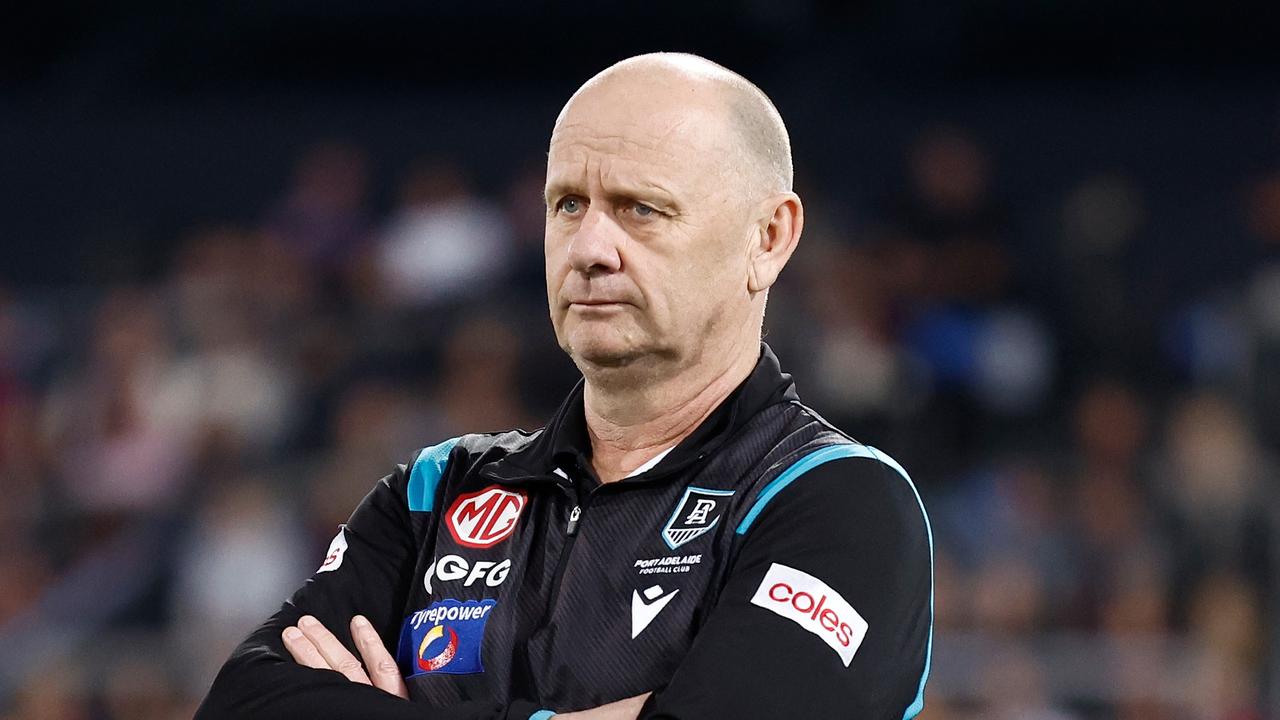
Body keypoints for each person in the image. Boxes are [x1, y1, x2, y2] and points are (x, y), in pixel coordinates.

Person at [196, 52, 933, 720]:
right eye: (567, 205)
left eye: (641, 209)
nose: (589, 249)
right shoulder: (431, 494)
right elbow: (239, 706)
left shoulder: (840, 502)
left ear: (768, 238)